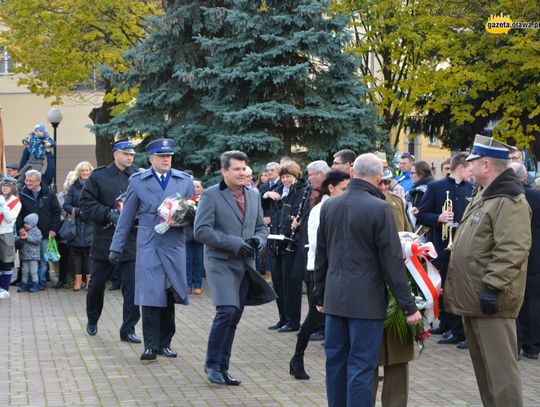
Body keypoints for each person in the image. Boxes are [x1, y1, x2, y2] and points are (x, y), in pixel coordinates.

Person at [314, 153, 421, 407]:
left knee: (336, 364)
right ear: (377, 178)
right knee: (361, 366)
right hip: (367, 302)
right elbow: (392, 262)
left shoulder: (329, 205)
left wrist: (319, 294)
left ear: (352, 174)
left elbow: (320, 256)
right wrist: (409, 306)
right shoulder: (380, 208)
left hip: (335, 300)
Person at [445, 135, 531, 407]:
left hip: (492, 301)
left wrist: (493, 287)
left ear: (486, 165)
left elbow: (513, 248)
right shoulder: (485, 195)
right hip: (475, 299)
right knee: (486, 376)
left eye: (472, 162)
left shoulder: (509, 199)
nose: (467, 167)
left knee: (501, 376)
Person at [194, 150, 275, 385]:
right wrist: (235, 244)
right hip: (221, 264)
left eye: (244, 168)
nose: (242, 173)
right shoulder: (211, 195)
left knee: (235, 316)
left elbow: (261, 226)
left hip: (246, 264)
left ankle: (223, 367)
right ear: (224, 171)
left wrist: (259, 241)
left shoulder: (253, 194)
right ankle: (212, 364)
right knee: (226, 311)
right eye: (237, 169)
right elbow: (201, 231)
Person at [111, 138, 194, 361]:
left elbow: (193, 210)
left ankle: (165, 343)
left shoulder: (184, 180)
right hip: (149, 242)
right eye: (162, 156)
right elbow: (127, 216)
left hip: (174, 242)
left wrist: (185, 219)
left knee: (168, 293)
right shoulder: (138, 181)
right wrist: (116, 246)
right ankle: (149, 345)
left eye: (169, 156)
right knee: (150, 294)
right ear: (151, 159)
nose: (166, 160)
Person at [289, 170, 350, 380]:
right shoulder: (320, 209)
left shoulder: (342, 207)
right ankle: (297, 358)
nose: (347, 193)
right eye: (343, 189)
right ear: (331, 188)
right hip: (321, 271)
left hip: (340, 270)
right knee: (314, 318)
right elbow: (317, 245)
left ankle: (354, 365)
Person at [79, 140, 141, 343]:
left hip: (131, 239)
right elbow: (86, 205)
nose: (129, 157)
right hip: (105, 238)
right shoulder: (99, 176)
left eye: (132, 154)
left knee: (132, 287)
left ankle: (128, 329)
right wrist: (109, 215)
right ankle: (92, 319)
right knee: (96, 284)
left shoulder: (138, 176)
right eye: (125, 153)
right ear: (115, 154)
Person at [416, 153, 474, 349]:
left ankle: (458, 330)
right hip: (441, 247)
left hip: (463, 248)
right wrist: (439, 218)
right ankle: (449, 326)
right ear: (460, 167)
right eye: (469, 169)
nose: (471, 172)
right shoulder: (435, 187)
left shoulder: (472, 189)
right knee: (442, 290)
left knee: (459, 289)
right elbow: (422, 216)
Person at [373, 166, 413, 407]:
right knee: (369, 356)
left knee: (398, 353)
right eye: (380, 183)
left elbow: (408, 235)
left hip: (399, 282)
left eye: (386, 183)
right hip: (371, 287)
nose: (384, 187)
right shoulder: (360, 204)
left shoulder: (396, 202)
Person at [264, 160, 308, 332]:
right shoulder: (277, 189)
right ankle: (282, 318)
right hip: (275, 241)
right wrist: (267, 195)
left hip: (291, 243)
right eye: (283, 177)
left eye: (288, 176)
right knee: (278, 283)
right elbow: (263, 205)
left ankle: (293, 320)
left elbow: (295, 212)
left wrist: (281, 203)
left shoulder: (301, 191)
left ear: (296, 176)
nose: (285, 180)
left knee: (291, 284)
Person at [510, 163, 540, 360]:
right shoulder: (537, 197)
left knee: (515, 301)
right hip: (535, 256)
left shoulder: (509, 199)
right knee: (533, 302)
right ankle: (532, 345)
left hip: (514, 255)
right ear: (525, 177)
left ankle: (518, 342)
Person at [16, 170, 61, 290]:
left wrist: (54, 229)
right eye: (26, 180)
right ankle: (28, 283)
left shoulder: (49, 194)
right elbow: (18, 213)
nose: (27, 183)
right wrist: (20, 227)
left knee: (42, 260)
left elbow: (56, 212)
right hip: (28, 234)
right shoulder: (22, 194)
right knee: (27, 259)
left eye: (31, 181)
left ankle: (40, 283)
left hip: (46, 233)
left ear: (38, 181)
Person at [63, 161, 94, 291]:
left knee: (89, 254)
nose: (85, 173)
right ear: (79, 172)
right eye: (83, 170)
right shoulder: (73, 187)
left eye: (87, 170)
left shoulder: (95, 185)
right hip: (76, 225)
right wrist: (77, 211)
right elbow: (66, 205)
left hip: (91, 224)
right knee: (77, 254)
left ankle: (89, 281)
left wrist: (90, 211)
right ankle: (77, 281)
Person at [0, 176, 21, 298]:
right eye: (3, 185)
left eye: (7, 186)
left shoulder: (15, 202)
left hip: (6, 233)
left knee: (6, 261)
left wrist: (3, 207)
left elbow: (9, 219)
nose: (4, 188)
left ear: (12, 187)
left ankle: (5, 289)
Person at [55, 171, 77, 289]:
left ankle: (78, 279)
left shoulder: (83, 194)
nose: (72, 183)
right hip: (65, 229)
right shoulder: (61, 196)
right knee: (63, 256)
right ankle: (62, 279)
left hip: (79, 229)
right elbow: (58, 212)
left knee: (78, 256)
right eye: (70, 181)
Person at [185, 179, 204, 295]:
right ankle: (187, 285)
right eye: (194, 186)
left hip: (200, 236)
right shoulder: (185, 201)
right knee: (187, 261)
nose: (196, 188)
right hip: (187, 235)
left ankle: (197, 285)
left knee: (199, 261)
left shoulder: (205, 200)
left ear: (201, 188)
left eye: (198, 186)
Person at [17, 213, 42, 293]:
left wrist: (28, 237)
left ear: (33, 224)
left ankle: (35, 284)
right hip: (24, 255)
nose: (25, 225)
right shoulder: (24, 231)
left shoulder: (37, 231)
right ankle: (24, 284)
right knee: (25, 271)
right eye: (25, 223)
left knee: (33, 271)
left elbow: (38, 240)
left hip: (33, 256)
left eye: (27, 224)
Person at [405, 160, 434, 228]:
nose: (410, 176)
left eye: (412, 173)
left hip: (423, 230)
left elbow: (421, 215)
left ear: (421, 174)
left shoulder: (424, 191)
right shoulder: (417, 189)